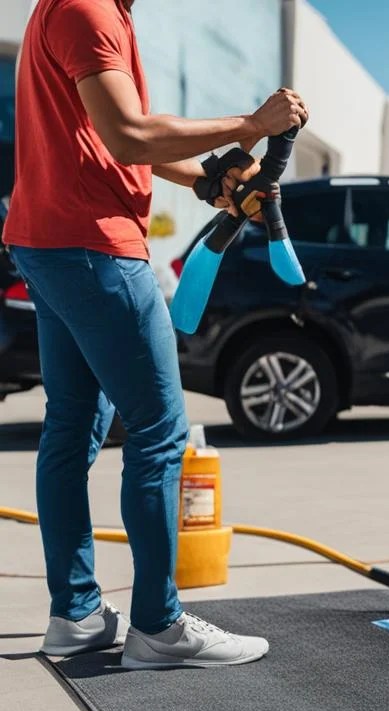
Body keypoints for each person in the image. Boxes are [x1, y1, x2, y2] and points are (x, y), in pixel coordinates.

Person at [2, 0, 308, 667]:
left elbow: (111, 139)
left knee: (71, 427)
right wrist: (253, 125)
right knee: (159, 432)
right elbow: (130, 136)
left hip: (48, 242)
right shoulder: (89, 10)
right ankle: (158, 627)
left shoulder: (73, 8)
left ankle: (77, 614)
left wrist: (209, 180)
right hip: (96, 248)